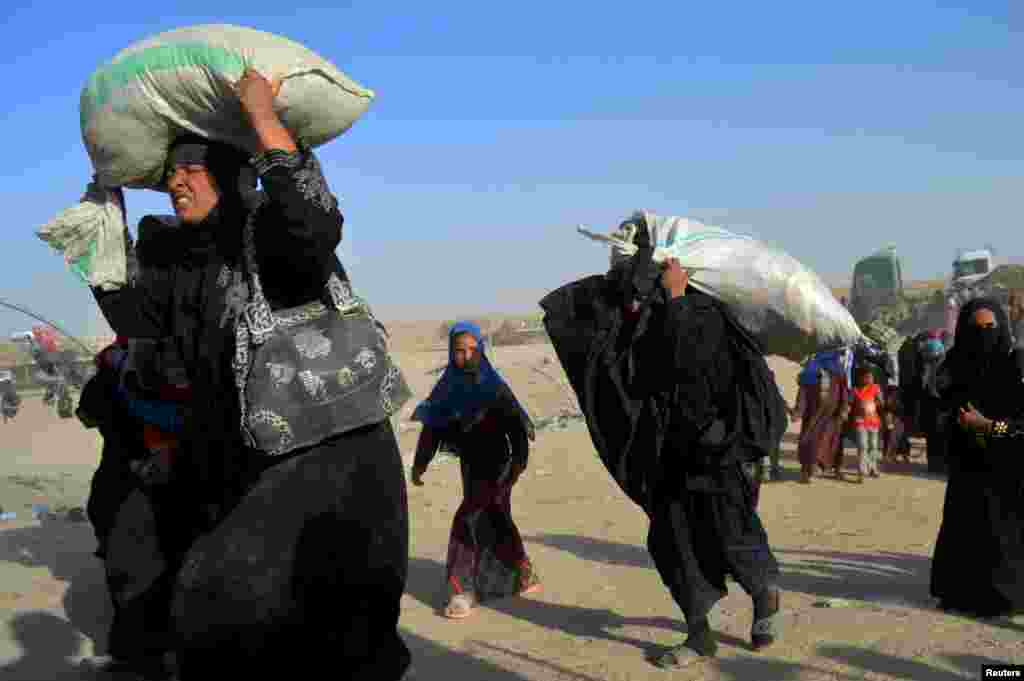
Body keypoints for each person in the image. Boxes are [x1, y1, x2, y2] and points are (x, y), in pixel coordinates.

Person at [82, 69, 410, 680]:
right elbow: (136, 320)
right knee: (218, 613)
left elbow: (316, 222)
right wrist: (105, 219)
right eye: (171, 172)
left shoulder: (273, 235)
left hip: (331, 465)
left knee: (330, 627)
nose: (176, 180)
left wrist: (263, 119)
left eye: (192, 168)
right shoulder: (178, 260)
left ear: (233, 174)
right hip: (243, 464)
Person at [540, 244, 784, 670]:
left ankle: (765, 597)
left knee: (733, 534)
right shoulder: (631, 320)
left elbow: (692, 362)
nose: (630, 289)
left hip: (717, 450)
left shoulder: (701, 312)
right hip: (667, 457)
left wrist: (674, 298)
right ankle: (699, 633)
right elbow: (615, 375)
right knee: (673, 543)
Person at [410, 321, 539, 619]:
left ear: (481, 350)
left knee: (468, 518)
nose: (467, 356)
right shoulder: (446, 387)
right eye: (459, 350)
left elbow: (516, 426)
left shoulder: (493, 385)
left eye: (472, 350)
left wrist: (519, 462)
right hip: (471, 464)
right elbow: (432, 429)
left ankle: (462, 589)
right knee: (495, 515)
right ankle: (521, 573)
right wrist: (420, 464)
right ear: (450, 352)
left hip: (501, 464)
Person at [930, 297, 1024, 618]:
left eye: (990, 327)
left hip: (1007, 468)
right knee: (964, 528)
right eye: (975, 328)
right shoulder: (953, 368)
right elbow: (939, 408)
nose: (983, 334)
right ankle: (960, 593)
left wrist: (988, 426)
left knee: (1003, 532)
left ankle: (1004, 597)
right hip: (966, 466)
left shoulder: (1016, 367)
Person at [793, 348, 850, 483]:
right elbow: (803, 393)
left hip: (831, 416)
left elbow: (843, 393)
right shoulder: (811, 371)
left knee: (825, 441)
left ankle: (816, 467)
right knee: (807, 441)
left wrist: (843, 409)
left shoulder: (838, 372)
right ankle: (806, 471)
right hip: (812, 414)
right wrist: (798, 411)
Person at [848, 366, 884, 481]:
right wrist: (845, 412)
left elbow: (881, 403)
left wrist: (878, 401)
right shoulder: (854, 391)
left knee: (873, 446)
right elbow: (849, 404)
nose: (870, 379)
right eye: (867, 377)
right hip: (860, 421)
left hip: (874, 422)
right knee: (863, 446)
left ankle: (873, 468)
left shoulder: (876, 388)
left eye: (871, 377)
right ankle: (862, 471)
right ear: (861, 378)